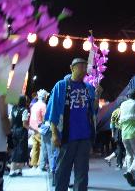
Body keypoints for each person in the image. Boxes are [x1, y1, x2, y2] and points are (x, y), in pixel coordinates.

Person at [47, 58, 101, 191]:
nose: (84, 69)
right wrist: (54, 134)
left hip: (84, 137)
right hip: (67, 137)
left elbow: (93, 110)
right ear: (72, 68)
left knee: (82, 173)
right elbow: (52, 112)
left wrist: (97, 96)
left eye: (85, 67)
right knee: (63, 171)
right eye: (80, 66)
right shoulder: (61, 86)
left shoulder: (88, 88)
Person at [9, 95, 29, 177]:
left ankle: (18, 170)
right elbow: (24, 123)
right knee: (21, 150)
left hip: (14, 131)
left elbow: (10, 121)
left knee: (15, 149)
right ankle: (13, 170)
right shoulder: (24, 110)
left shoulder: (12, 109)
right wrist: (30, 129)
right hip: (22, 132)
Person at [29, 89, 48, 170]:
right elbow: (45, 117)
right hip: (40, 129)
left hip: (33, 128)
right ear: (44, 97)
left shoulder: (34, 105)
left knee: (35, 146)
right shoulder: (43, 105)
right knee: (42, 147)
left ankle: (34, 164)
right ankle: (40, 164)